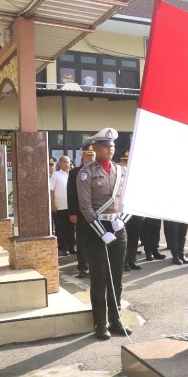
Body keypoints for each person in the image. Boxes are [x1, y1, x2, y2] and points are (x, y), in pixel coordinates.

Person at [76, 127, 132, 340]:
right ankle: (100, 323)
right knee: (100, 278)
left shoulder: (121, 171)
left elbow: (129, 200)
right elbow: (85, 207)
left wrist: (122, 221)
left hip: (118, 227)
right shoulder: (86, 173)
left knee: (116, 277)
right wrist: (102, 232)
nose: (110, 149)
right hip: (96, 230)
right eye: (106, 146)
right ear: (96, 147)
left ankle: (116, 320)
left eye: (112, 146)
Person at [68, 144, 96, 278]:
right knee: (82, 240)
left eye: (93, 155)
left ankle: (95, 266)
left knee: (95, 240)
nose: (91, 158)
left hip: (97, 212)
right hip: (81, 213)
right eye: (88, 155)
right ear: (82, 155)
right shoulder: (74, 172)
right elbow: (71, 194)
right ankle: (83, 267)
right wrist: (72, 213)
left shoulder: (99, 171)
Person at [50, 156, 75, 256]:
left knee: (71, 228)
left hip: (71, 207)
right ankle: (63, 248)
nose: (66, 164)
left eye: (68, 162)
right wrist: (52, 204)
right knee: (61, 228)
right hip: (60, 207)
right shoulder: (56, 175)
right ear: (60, 164)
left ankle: (72, 247)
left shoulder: (72, 174)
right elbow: (51, 191)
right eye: (64, 162)